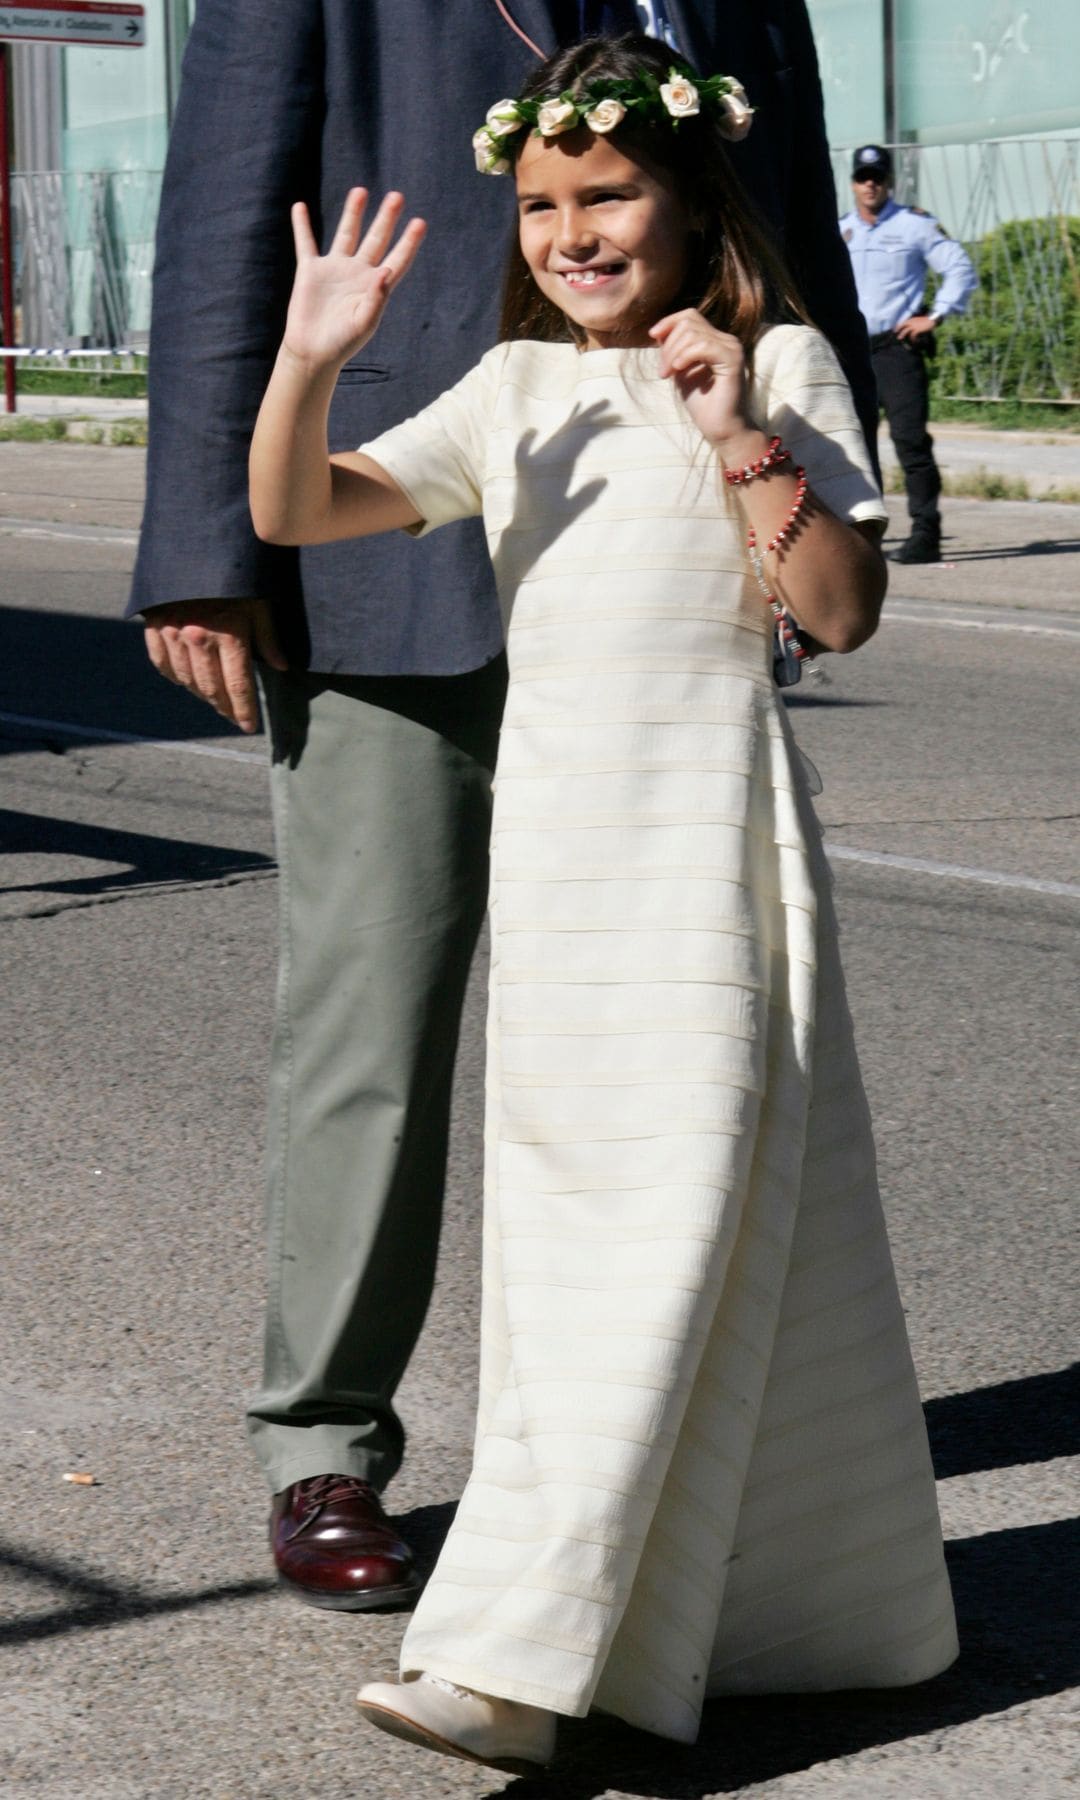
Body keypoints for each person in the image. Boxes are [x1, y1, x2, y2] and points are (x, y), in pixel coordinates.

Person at [249, 31, 958, 1773]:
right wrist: (308, 361)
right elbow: (293, 508)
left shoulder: (776, 355)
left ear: (690, 192)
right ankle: (791, 1611)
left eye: (610, 193)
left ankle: (512, 1660)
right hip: (564, 887)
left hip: (713, 871)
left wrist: (734, 429)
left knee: (675, 1238)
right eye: (546, 204)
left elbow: (841, 607)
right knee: (590, 1259)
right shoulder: (513, 393)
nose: (573, 232)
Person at [128, 0, 878, 1614]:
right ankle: (324, 1445)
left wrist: (810, 461)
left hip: (678, 550)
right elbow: (221, 216)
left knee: (690, 1050)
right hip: (408, 539)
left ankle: (670, 1438)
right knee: (372, 1028)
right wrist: (205, 544)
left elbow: (788, 204)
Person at [841, 143, 976, 565]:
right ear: (852, 183)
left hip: (896, 350)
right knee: (854, 446)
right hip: (853, 351)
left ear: (890, 182)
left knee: (910, 443)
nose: (871, 185)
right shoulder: (842, 230)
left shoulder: (914, 226)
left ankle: (925, 533)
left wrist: (934, 316)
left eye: (878, 177)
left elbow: (959, 267)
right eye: (863, 177)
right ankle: (864, 534)